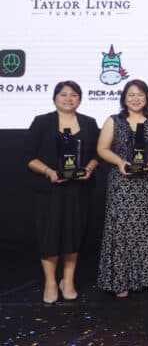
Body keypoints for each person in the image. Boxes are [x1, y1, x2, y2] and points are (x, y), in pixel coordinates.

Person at [24, 81, 100, 304]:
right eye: (63, 94)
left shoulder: (89, 123)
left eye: (74, 94)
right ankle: (50, 281)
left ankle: (68, 280)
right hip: (49, 190)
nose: (68, 99)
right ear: (55, 98)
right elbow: (28, 156)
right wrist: (48, 171)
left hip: (78, 190)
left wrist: (89, 169)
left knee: (73, 234)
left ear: (80, 98)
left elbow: (98, 154)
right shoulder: (42, 122)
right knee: (50, 235)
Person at [96, 79, 148, 298]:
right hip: (121, 182)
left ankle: (145, 278)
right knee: (120, 230)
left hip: (147, 182)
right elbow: (102, 148)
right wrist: (120, 163)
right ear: (124, 98)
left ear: (147, 97)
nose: (136, 98)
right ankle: (119, 281)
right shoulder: (114, 121)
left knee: (145, 228)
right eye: (131, 95)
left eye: (140, 94)